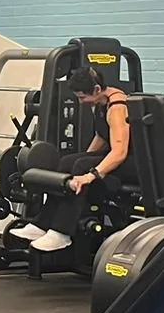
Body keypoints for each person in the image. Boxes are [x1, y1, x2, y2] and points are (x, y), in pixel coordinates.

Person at [13, 65, 131, 254]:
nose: (80, 101)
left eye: (82, 97)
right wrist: (84, 159)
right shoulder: (100, 102)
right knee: (68, 162)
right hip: (116, 157)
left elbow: (120, 152)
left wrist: (90, 175)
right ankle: (43, 224)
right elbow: (102, 136)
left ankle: (61, 233)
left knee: (80, 165)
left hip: (131, 165)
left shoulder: (117, 107)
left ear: (97, 90)